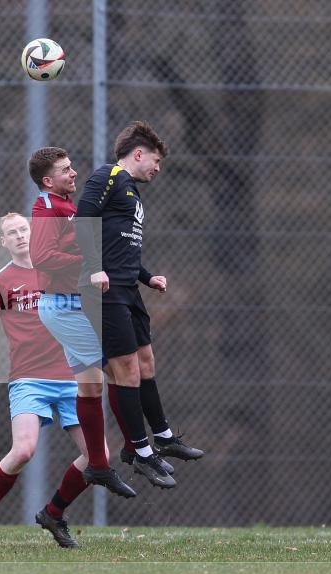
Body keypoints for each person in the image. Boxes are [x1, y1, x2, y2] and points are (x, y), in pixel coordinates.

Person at [0, 213, 135, 551]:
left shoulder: (63, 269)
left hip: (74, 379)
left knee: (97, 457)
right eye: (12, 232)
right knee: (23, 450)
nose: (20, 236)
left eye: (24, 229)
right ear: (3, 241)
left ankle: (54, 512)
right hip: (29, 380)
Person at [75, 121, 204, 489]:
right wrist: (95, 269)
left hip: (128, 288)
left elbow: (121, 244)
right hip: (103, 290)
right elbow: (81, 221)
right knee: (127, 368)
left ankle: (163, 436)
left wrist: (148, 277)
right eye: (155, 160)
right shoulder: (108, 177)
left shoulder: (130, 191)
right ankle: (141, 453)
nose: (157, 168)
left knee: (146, 362)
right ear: (138, 153)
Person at [28, 147, 145, 496]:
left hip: (76, 305)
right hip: (62, 306)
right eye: (65, 170)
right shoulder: (47, 207)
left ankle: (99, 464)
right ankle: (133, 448)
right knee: (117, 370)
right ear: (49, 181)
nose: (74, 173)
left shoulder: (69, 207)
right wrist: (88, 263)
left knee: (93, 385)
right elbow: (43, 257)